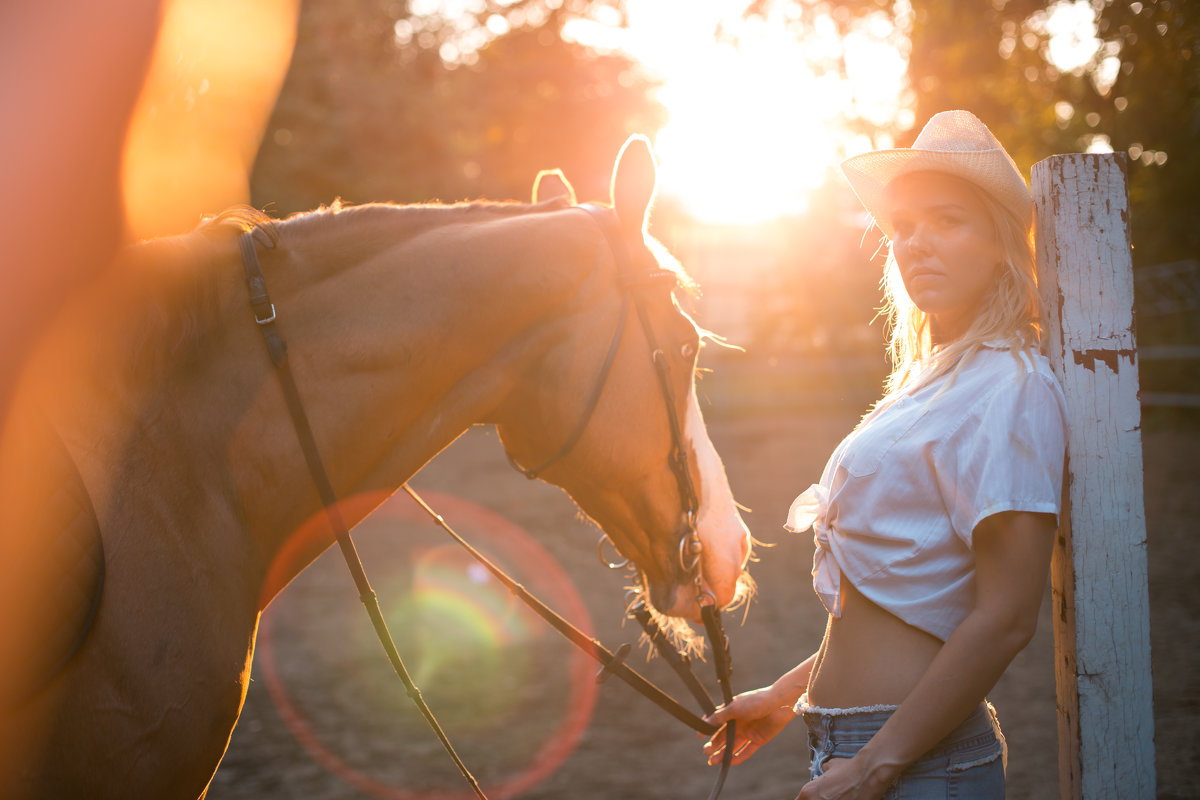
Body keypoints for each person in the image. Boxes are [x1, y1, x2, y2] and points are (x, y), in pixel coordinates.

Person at [701, 110, 1067, 799]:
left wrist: (879, 763)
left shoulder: (1010, 386)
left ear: (998, 240)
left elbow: (1006, 616)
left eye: (947, 220)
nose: (916, 244)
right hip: (859, 748)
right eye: (903, 226)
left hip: (917, 762)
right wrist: (785, 695)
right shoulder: (932, 382)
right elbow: (900, 600)